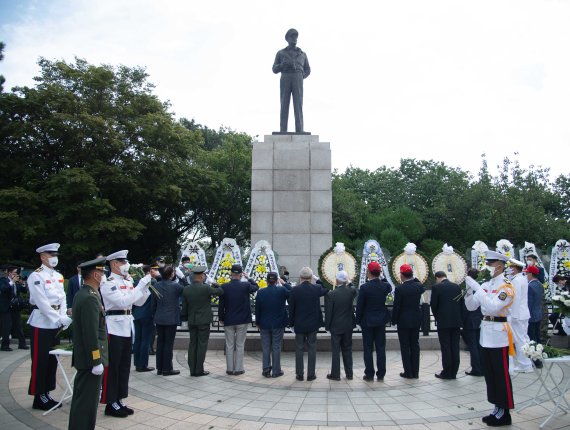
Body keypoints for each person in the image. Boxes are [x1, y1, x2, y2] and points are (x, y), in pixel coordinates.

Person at [465, 250, 515, 427]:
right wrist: (470, 290)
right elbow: (471, 307)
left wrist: (478, 289)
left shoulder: (506, 286)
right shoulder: (487, 284)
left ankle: (505, 411)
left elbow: (494, 307)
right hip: (486, 333)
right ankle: (497, 408)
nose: (487, 267)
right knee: (490, 375)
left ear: (499, 265)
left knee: (500, 374)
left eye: (490, 264)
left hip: (499, 334)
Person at [99, 250, 152, 418]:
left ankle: (119, 399)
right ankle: (109, 401)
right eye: (122, 261)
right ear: (114, 264)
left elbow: (138, 301)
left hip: (127, 326)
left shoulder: (127, 280)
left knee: (124, 366)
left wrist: (145, 289)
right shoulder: (108, 282)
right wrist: (140, 285)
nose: (126, 265)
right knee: (112, 367)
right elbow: (122, 301)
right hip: (114, 327)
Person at [26, 243, 72, 410]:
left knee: (52, 360)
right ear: (42, 257)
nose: (54, 257)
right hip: (42, 323)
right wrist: (57, 319)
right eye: (50, 254)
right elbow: (41, 302)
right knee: (40, 360)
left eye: (56, 254)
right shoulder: (36, 276)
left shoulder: (58, 275)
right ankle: (38, 396)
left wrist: (63, 316)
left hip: (55, 323)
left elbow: (62, 298)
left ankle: (47, 393)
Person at [68, 257, 108, 430]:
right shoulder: (90, 297)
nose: (103, 275)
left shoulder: (84, 293)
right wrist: (96, 360)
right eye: (101, 272)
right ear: (94, 275)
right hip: (90, 360)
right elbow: (91, 334)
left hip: (85, 358)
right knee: (86, 402)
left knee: (83, 400)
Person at [180, 266, 223, 376]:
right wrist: (214, 283)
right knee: (202, 345)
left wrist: (184, 318)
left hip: (192, 321)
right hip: (203, 321)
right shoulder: (206, 288)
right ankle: (199, 370)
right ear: (202, 276)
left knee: (192, 344)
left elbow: (184, 307)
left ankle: (192, 369)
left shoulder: (186, 289)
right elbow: (220, 291)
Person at [288, 266, 328, 381]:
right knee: (312, 348)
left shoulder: (295, 290)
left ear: (300, 277)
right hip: (312, 324)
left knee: (299, 349)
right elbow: (326, 288)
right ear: (311, 277)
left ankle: (299, 374)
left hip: (299, 324)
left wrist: (291, 324)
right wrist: (318, 279)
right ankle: (311, 374)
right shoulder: (316, 288)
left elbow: (291, 309)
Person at [218, 264, 259, 375]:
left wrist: (221, 317)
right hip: (242, 320)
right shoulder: (245, 286)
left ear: (231, 274)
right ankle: (239, 368)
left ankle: (230, 369)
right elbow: (256, 287)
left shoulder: (224, 286)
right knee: (240, 345)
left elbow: (221, 305)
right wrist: (249, 277)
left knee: (229, 345)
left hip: (229, 319)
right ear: (241, 274)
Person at [355, 262, 392, 381]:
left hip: (367, 321)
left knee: (368, 348)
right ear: (380, 273)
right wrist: (381, 276)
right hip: (381, 320)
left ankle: (369, 373)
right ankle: (381, 374)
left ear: (369, 273)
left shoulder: (364, 287)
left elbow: (360, 306)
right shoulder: (385, 286)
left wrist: (358, 320)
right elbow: (388, 284)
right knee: (381, 348)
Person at [272, 28, 311, 133]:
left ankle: (300, 129)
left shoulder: (302, 54)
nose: (294, 38)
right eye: (292, 36)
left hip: (298, 77)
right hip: (285, 76)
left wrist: (301, 76)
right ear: (287, 38)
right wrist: (282, 65)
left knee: (298, 103)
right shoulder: (281, 53)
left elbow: (308, 69)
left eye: (295, 36)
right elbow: (274, 69)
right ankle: (283, 129)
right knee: (284, 102)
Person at [255, 271, 291, 377]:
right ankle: (276, 371)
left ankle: (266, 370)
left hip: (264, 324)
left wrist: (257, 322)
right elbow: (292, 291)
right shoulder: (282, 290)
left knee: (266, 347)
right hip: (278, 324)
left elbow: (258, 309)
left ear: (266, 281)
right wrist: (284, 283)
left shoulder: (261, 292)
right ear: (276, 281)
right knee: (276, 347)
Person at [392, 264, 425, 379]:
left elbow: (397, 306)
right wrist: (414, 278)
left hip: (403, 320)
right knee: (415, 345)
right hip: (416, 319)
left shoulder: (400, 289)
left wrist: (394, 320)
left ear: (402, 275)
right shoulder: (418, 286)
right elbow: (421, 285)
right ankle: (415, 372)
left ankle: (408, 372)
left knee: (405, 346)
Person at [325, 270, 357, 381]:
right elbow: (354, 287)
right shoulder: (351, 291)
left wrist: (327, 327)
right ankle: (349, 374)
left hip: (336, 325)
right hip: (348, 325)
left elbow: (329, 312)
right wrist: (348, 282)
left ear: (337, 280)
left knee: (335, 350)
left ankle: (336, 374)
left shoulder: (331, 294)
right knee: (347, 349)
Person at [431, 271, 463, 379]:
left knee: (446, 347)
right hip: (456, 321)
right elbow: (461, 303)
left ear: (438, 277)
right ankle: (454, 371)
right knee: (455, 346)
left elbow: (433, 305)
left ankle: (446, 371)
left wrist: (437, 317)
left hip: (443, 321)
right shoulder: (456, 287)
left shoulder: (436, 287)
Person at [153, 265, 183, 376]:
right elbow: (186, 289)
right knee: (168, 344)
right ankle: (167, 369)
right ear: (172, 274)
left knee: (160, 343)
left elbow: (153, 303)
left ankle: (160, 368)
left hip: (159, 318)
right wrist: (183, 277)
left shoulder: (156, 285)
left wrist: (154, 315)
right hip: (171, 319)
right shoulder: (176, 286)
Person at [507, 259, 533, 374]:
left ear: (515, 268)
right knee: (524, 338)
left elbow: (515, 298)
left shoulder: (517, 280)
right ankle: (527, 362)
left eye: (511, 267)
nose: (510, 269)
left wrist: (514, 315)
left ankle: (525, 364)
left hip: (518, 314)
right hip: (523, 313)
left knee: (519, 340)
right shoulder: (522, 278)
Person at [132, 265, 156, 373]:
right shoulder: (153, 282)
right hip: (147, 314)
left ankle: (137, 363)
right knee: (145, 340)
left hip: (136, 313)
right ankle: (143, 365)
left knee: (138, 339)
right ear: (150, 271)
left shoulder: (137, 282)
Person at [8, 267, 29, 349]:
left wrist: (23, 282)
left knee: (19, 326)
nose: (16, 275)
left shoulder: (16, 282)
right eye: (14, 273)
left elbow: (24, 290)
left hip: (16, 308)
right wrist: (12, 282)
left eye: (17, 273)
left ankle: (22, 344)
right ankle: (5, 344)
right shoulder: (5, 281)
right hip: (7, 308)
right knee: (7, 326)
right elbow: (4, 290)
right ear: (9, 273)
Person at [526, 265, 543, 346]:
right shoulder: (540, 284)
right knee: (537, 336)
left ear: (530, 274)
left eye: (527, 273)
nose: (526, 275)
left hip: (531, 316)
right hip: (538, 314)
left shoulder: (529, 286)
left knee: (532, 338)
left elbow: (529, 303)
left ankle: (535, 356)